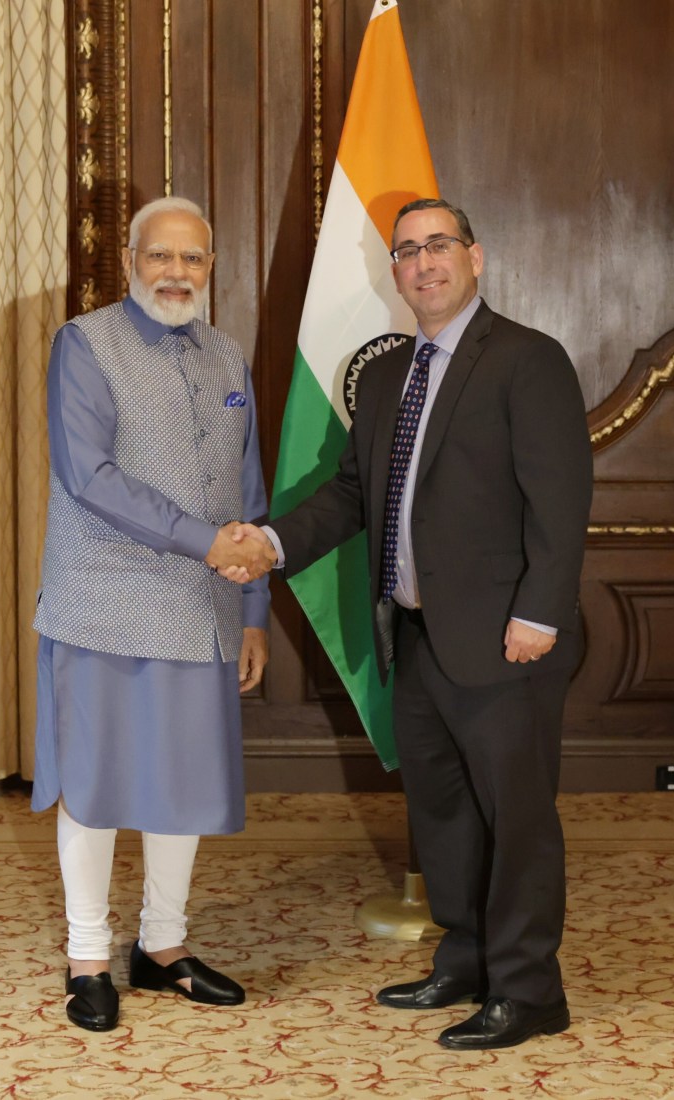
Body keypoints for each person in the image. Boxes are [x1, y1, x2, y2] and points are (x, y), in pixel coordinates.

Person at [233, 198, 593, 1050]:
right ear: (391, 272)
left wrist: (538, 613)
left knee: (517, 821)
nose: (423, 263)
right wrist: (272, 542)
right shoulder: (393, 371)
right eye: (405, 251)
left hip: (508, 639)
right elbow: (359, 494)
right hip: (419, 636)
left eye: (439, 246)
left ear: (475, 257)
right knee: (442, 816)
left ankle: (530, 990)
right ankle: (466, 961)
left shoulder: (527, 360)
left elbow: (561, 499)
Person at [31, 195, 276, 1032]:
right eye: (161, 256)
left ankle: (162, 947)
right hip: (103, 601)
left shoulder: (226, 353)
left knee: (182, 783)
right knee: (95, 788)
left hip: (202, 606)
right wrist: (207, 542)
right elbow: (88, 477)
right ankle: (88, 957)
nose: (178, 273)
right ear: (130, 260)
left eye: (194, 259)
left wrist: (253, 607)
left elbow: (248, 492)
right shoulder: (84, 343)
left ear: (212, 266)